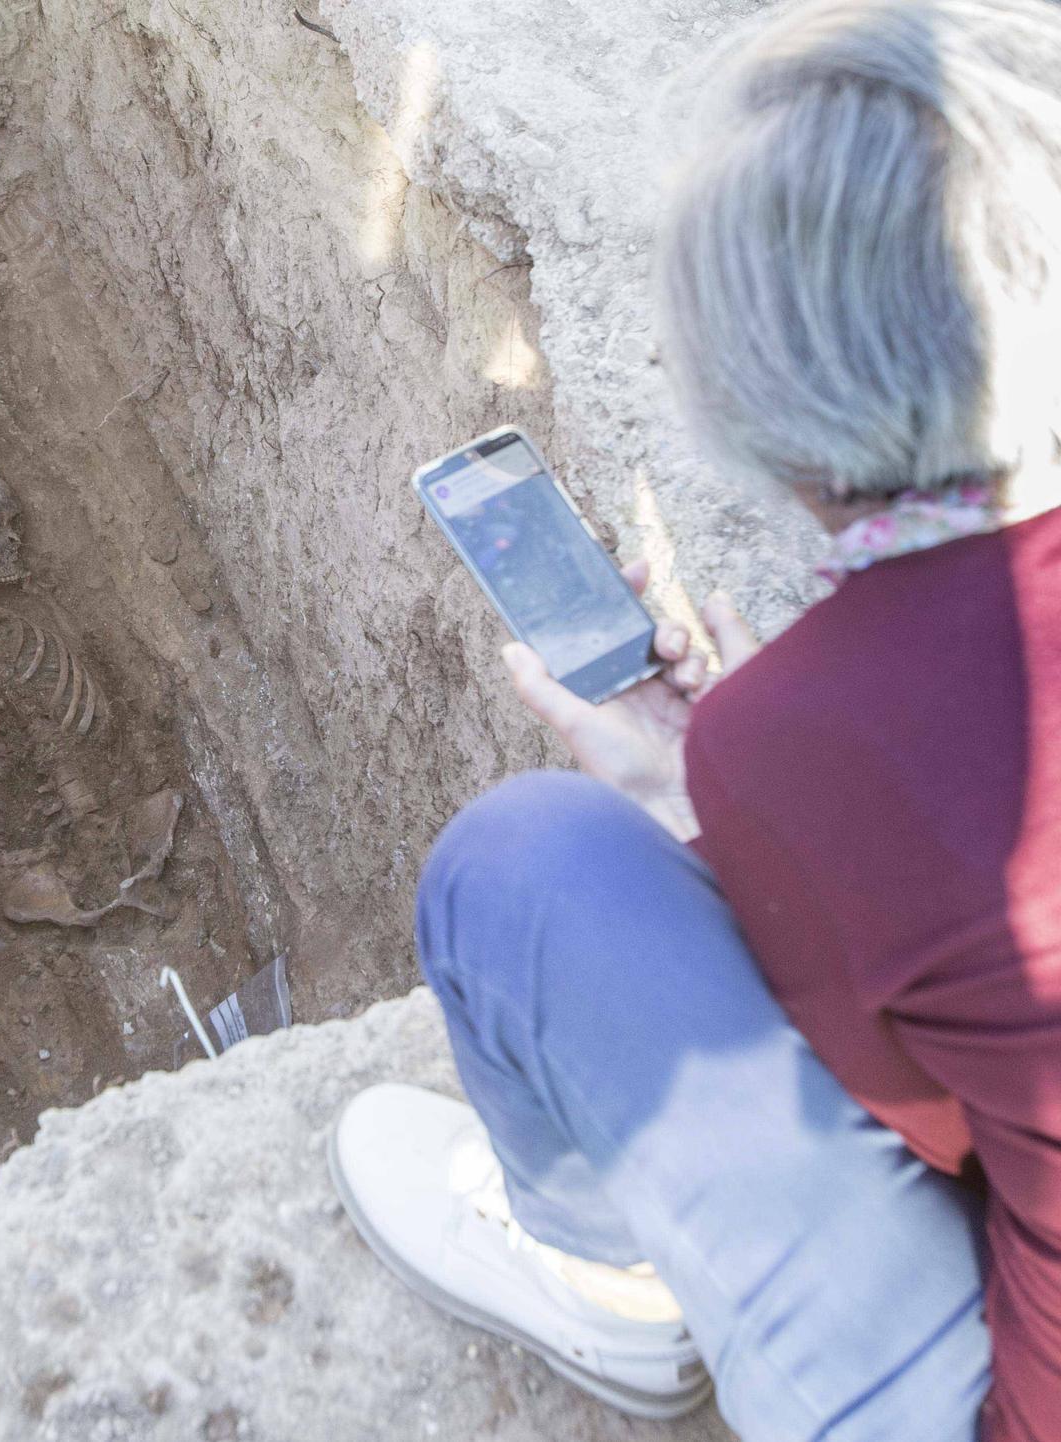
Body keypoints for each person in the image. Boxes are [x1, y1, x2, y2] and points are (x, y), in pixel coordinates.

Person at [330, 1, 1061, 1437]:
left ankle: (616, 1291)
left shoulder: (809, 742)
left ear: (761, 407)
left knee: (528, 858)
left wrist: (721, 801)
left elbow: (924, 1118)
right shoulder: (823, 730)